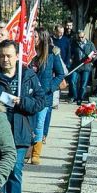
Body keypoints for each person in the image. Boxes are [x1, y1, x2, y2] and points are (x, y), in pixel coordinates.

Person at [0, 41, 47, 193]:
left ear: (17, 56)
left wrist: (23, 102)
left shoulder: (27, 75)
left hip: (20, 131)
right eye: (2, 56)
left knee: (15, 170)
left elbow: (41, 101)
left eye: (9, 56)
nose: (5, 59)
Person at [30, 31, 64, 165]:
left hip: (44, 96)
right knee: (29, 123)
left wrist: (50, 87)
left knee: (39, 124)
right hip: (29, 94)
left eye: (35, 36)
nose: (33, 38)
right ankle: (26, 150)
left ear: (42, 38)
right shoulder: (28, 52)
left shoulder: (52, 53)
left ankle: (36, 153)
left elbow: (60, 74)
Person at [69, 30, 95, 104]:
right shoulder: (74, 43)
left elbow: (95, 54)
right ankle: (75, 97)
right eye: (79, 37)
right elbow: (70, 53)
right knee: (72, 81)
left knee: (83, 85)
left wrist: (92, 58)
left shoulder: (90, 44)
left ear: (85, 36)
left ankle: (80, 98)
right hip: (76, 66)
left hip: (86, 66)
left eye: (82, 37)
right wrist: (70, 58)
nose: (80, 39)